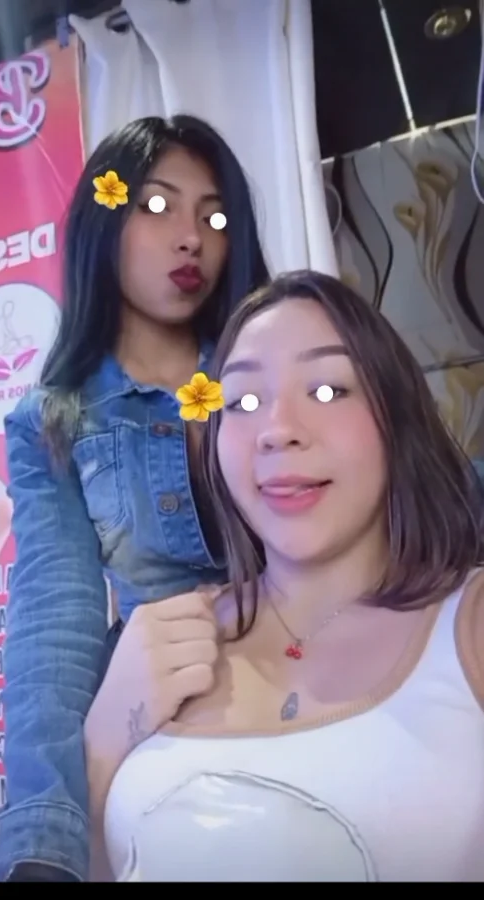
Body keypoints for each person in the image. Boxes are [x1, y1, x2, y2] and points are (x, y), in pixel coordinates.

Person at [83, 271, 484, 882]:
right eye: (243, 402)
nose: (276, 430)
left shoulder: (468, 627)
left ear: (397, 416)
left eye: (326, 390)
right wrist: (107, 728)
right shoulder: (160, 641)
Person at [0, 115, 268, 883]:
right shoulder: (52, 421)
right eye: (156, 206)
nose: (191, 238)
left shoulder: (273, 369)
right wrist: (42, 840)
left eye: (215, 218)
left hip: (329, 693)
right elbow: (54, 628)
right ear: (104, 219)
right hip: (173, 742)